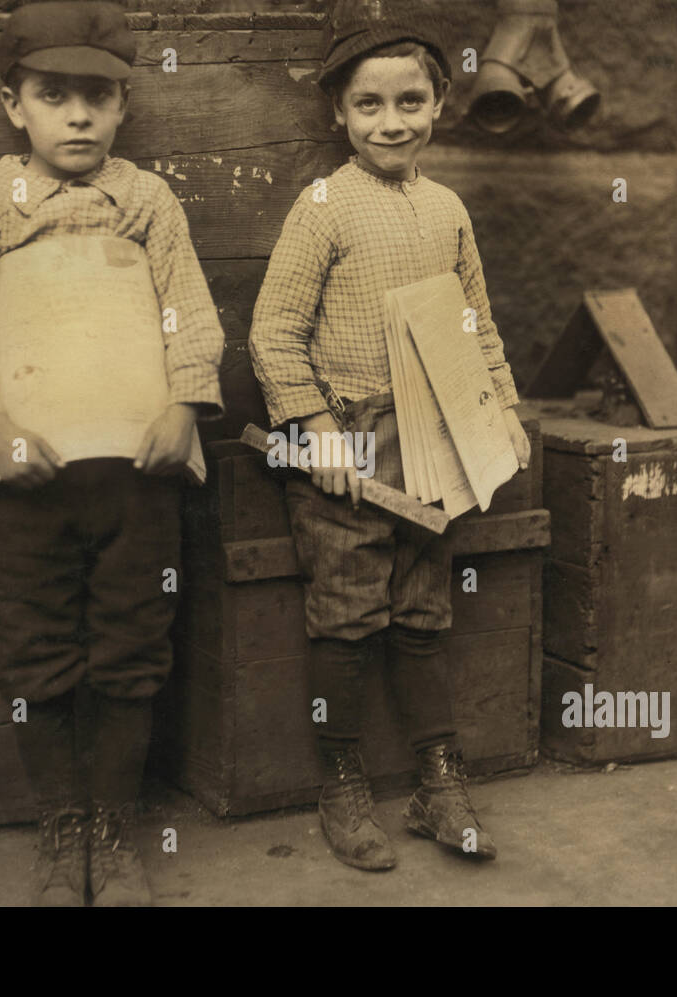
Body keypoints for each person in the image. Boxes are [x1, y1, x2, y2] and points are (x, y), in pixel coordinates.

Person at [0, 0, 224, 905]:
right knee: (35, 650)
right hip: (25, 479)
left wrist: (184, 406)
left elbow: (191, 317)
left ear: (125, 105)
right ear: (15, 104)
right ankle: (61, 827)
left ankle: (113, 828)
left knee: (133, 647)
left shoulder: (149, 202)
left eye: (99, 96)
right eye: (55, 96)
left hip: (139, 475)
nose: (80, 116)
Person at [248, 0, 531, 871]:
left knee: (422, 609)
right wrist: (320, 431)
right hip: (351, 445)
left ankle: (438, 783)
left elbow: (477, 322)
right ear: (337, 112)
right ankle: (343, 784)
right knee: (347, 615)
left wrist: (505, 413)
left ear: (440, 102)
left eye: (411, 101)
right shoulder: (324, 207)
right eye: (368, 105)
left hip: (434, 437)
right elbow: (272, 332)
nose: (391, 122)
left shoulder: (448, 209)